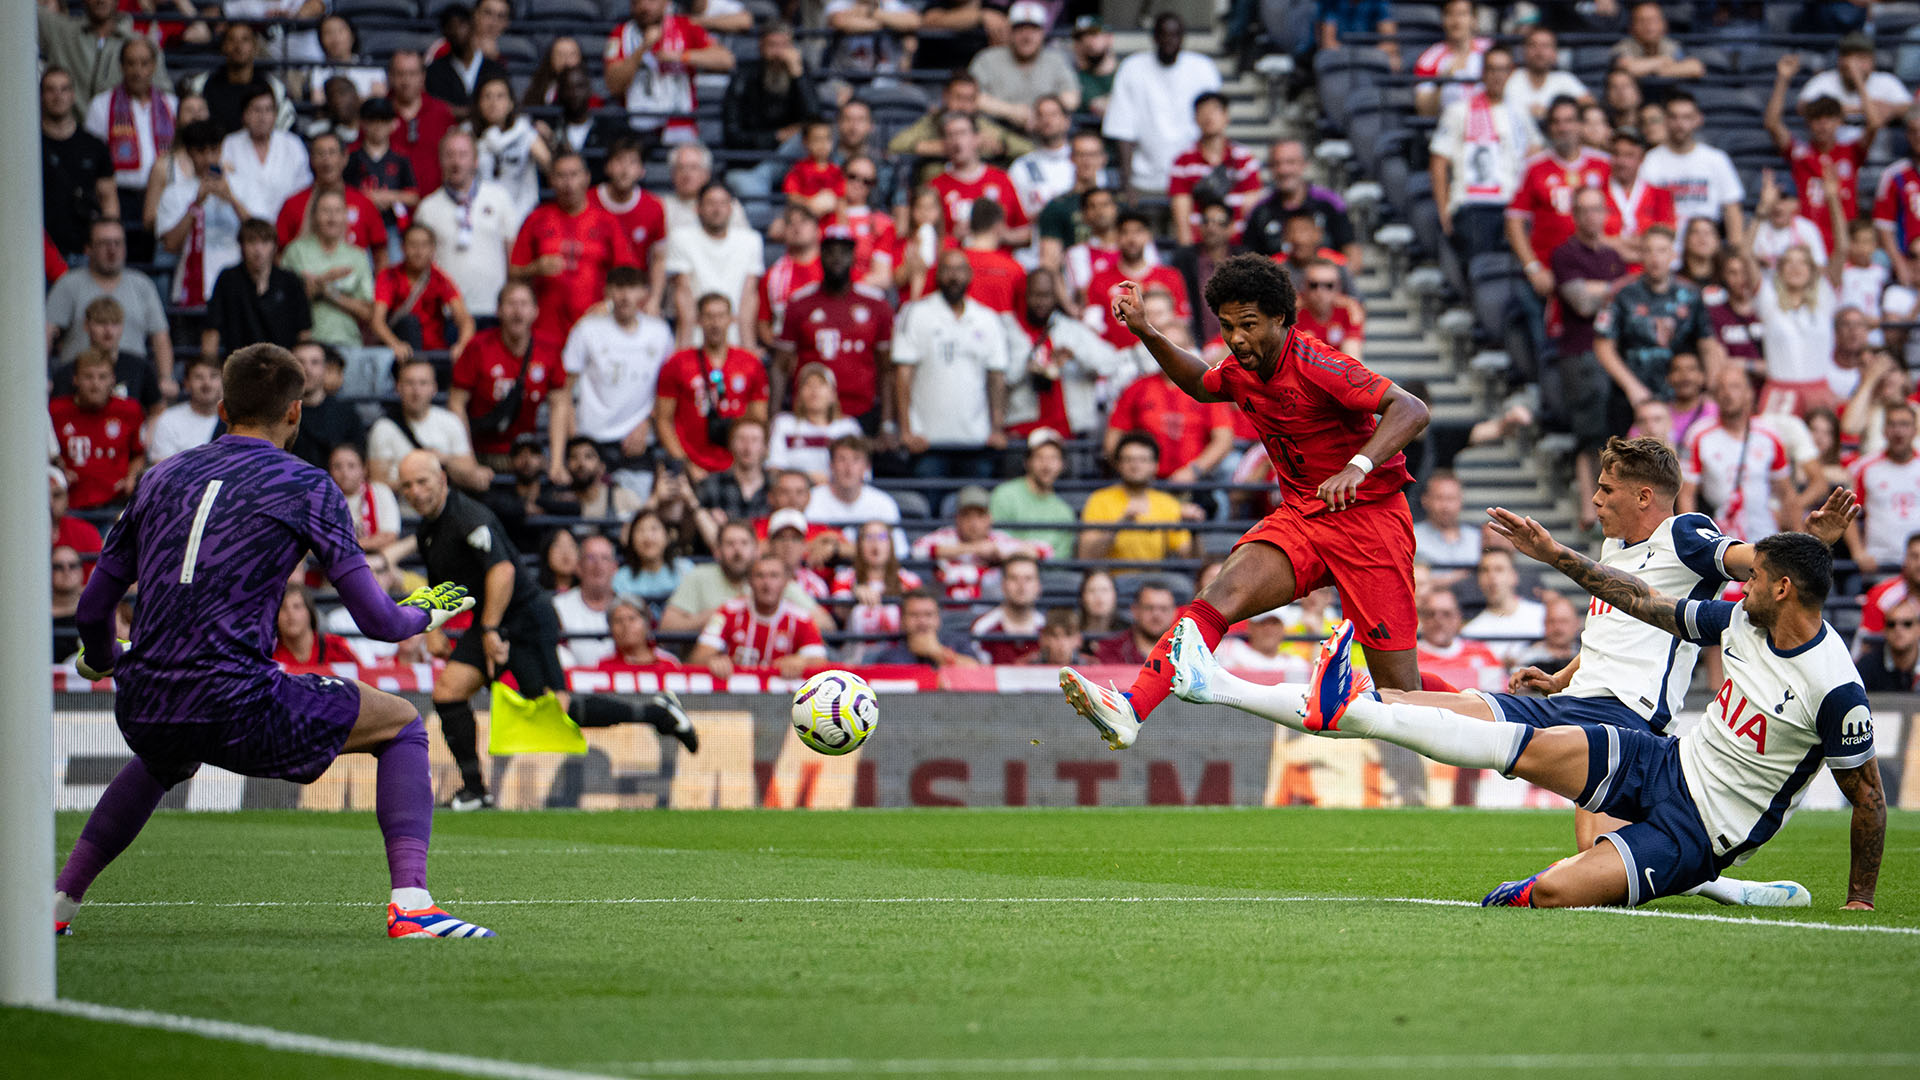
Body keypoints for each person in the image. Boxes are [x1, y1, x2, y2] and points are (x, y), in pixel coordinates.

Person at [1170, 514, 1880, 910]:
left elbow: (1869, 799)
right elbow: (1645, 604)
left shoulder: (1835, 686)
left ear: (1783, 589)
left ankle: (1708, 885)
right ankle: (1329, 703)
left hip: (1703, 832)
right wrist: (1555, 555)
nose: (1741, 583)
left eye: (1753, 577)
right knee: (1504, 742)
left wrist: (1860, 902)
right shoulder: (1743, 623)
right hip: (1664, 760)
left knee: (1549, 894)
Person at [52, 343, 493, 940]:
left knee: (163, 757)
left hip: (144, 701)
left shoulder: (159, 477)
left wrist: (104, 660)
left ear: (225, 406)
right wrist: (425, 611)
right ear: (295, 412)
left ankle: (56, 909)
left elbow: (93, 609)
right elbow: (380, 622)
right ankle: (412, 906)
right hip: (235, 702)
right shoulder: (305, 485)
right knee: (401, 725)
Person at [1061, 253, 1431, 750]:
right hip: (1303, 520)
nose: (1236, 338)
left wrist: (1356, 468)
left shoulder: (1320, 364)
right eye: (1229, 326)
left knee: (1403, 698)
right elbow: (1198, 382)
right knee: (1217, 598)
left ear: (1281, 317)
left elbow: (1411, 408)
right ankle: (1131, 708)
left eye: (1249, 325)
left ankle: (1496, 716)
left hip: (1371, 523)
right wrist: (1148, 331)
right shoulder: (1242, 370)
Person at [396, 452, 697, 810]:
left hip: (524, 617)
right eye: (407, 486)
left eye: (422, 482)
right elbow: (439, 578)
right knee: (447, 693)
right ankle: (475, 790)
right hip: (494, 621)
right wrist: (435, 625)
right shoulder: (429, 528)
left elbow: (503, 572)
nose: (415, 491)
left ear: (442, 479)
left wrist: (491, 630)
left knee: (560, 708)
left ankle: (659, 713)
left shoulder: (468, 518)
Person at [554, 265, 676, 491]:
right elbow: (565, 389)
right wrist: (574, 439)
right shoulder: (587, 329)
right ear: (608, 291)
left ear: (643, 292)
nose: (625, 296)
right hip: (591, 439)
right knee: (590, 519)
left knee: (636, 515)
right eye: (619, 287)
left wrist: (648, 423)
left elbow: (668, 389)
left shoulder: (659, 333)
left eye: (631, 288)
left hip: (639, 441)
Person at [894, 250, 1013, 478]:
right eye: (948, 269)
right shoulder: (916, 313)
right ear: (937, 275)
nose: (954, 277)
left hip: (977, 440)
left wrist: (997, 429)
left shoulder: (987, 319)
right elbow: (902, 374)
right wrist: (906, 430)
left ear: (969, 275)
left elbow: (996, 377)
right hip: (927, 440)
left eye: (959, 270)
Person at [1593, 225, 1719, 439]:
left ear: (1673, 255)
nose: (1655, 258)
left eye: (1662, 250)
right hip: (1631, 393)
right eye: (1649, 250)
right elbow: (1603, 345)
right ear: (1640, 255)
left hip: (1680, 393)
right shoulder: (1622, 294)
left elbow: (1707, 343)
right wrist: (1633, 388)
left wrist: (1710, 386)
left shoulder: (1690, 294)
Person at [511, 151, 637, 353]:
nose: (568, 183)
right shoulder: (536, 219)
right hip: (545, 329)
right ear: (551, 180)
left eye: (574, 175)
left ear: (586, 178)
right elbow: (514, 272)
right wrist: (535, 268)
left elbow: (628, 277)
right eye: (561, 176)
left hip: (596, 328)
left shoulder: (607, 222)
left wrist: (611, 304)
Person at [772, 226, 893, 424]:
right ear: (821, 255)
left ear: (853, 256)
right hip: (810, 414)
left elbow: (886, 369)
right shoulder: (799, 303)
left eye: (844, 251)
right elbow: (780, 365)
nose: (837, 257)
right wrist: (774, 420)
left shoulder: (876, 304)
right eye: (830, 251)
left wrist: (887, 424)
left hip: (862, 413)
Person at [1430, 47, 1538, 264]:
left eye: (1503, 69)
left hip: (1514, 205)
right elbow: (1439, 162)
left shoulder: (1519, 112)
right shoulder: (1460, 111)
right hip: (1475, 206)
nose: (1497, 75)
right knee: (1483, 271)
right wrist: (1443, 211)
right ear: (1483, 73)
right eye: (1492, 69)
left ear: (1511, 73)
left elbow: (1535, 151)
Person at [1102, 14, 1222, 198]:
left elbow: (1214, 126)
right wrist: (1127, 184)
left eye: (1175, 35)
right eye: (1164, 34)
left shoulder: (1203, 68)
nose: (1169, 40)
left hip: (1194, 181)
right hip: (1145, 182)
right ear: (1154, 37)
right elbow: (1122, 128)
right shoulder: (1132, 68)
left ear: (1183, 37)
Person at [449, 280, 563, 471]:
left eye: (524, 304)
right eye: (511, 304)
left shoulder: (549, 348)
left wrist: (558, 463)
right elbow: (456, 402)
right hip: (483, 451)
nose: (517, 311)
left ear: (536, 311)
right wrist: (467, 459)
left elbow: (560, 403)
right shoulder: (478, 347)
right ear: (498, 311)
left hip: (528, 452)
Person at [657, 293, 770, 481]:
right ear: (699, 321)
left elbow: (758, 420)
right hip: (691, 464)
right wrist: (684, 464)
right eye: (709, 316)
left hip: (736, 468)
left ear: (731, 319)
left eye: (721, 316)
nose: (715, 323)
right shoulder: (678, 363)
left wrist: (744, 466)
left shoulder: (751, 364)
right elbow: (663, 419)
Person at [415, 129, 522, 320]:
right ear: (440, 161)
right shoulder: (427, 208)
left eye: (463, 155)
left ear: (475, 160)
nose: (456, 162)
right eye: (450, 155)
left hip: (493, 309)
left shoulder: (499, 198)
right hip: (445, 313)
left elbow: (513, 255)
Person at [1680, 368, 1795, 544]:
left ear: (1749, 393)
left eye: (1735, 387)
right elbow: (1686, 494)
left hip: (1766, 537)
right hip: (1718, 540)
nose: (1727, 394)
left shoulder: (1770, 435)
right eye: (1721, 388)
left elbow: (1786, 493)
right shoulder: (1698, 435)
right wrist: (1691, 539)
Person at [46, 219, 172, 374]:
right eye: (104, 243)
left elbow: (160, 338)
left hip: (132, 384)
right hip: (79, 384)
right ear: (88, 249)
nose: (112, 250)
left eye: (118, 243)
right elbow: (47, 333)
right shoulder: (68, 284)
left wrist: (166, 378)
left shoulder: (143, 285)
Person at [605, 0, 735, 144]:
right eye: (638, 2)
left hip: (680, 125)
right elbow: (613, 85)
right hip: (637, 129)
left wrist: (682, 56)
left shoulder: (684, 26)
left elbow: (726, 60)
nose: (644, 7)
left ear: (665, 2)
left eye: (651, 1)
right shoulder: (620, 33)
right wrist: (642, 48)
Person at [686, 556, 827, 679]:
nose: (767, 583)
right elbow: (698, 658)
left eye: (774, 576)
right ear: (749, 581)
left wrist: (801, 661)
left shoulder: (802, 619)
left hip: (782, 701)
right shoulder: (728, 612)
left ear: (786, 582)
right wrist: (713, 661)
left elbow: (820, 662)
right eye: (760, 576)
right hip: (735, 701)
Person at [367, 358, 492, 494]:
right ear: (398, 387)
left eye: (423, 383)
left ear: (434, 388)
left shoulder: (451, 422)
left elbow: (471, 474)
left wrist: (443, 459)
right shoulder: (383, 428)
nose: (416, 391)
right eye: (409, 383)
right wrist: (419, 477)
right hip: (401, 512)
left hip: (445, 510)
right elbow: (378, 486)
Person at [1640, 92, 1746, 249]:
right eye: (1674, 117)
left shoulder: (1716, 159)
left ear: (1698, 119)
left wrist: (1735, 251)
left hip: (1707, 249)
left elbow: (1732, 210)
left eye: (1686, 117)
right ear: (1665, 120)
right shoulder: (1650, 161)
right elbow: (1642, 210)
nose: (1680, 124)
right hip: (1665, 249)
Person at [666, 182, 764, 347]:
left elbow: (749, 295)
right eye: (711, 203)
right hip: (696, 338)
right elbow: (683, 293)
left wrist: (749, 345)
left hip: (736, 339)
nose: (717, 209)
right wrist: (683, 346)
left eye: (722, 203)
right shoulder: (680, 238)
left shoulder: (751, 241)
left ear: (732, 208)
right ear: (697, 208)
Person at [912, 486, 1048, 602]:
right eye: (967, 516)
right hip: (946, 610)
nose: (974, 523)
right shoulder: (945, 536)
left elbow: (1044, 550)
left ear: (989, 518)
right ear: (957, 518)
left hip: (986, 608)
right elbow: (917, 550)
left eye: (980, 516)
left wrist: (1003, 555)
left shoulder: (998, 540)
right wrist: (973, 548)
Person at [1078, 433, 1199, 563]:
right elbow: (1086, 556)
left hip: (1158, 578)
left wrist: (1194, 531)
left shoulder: (1168, 503)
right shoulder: (1099, 500)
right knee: (1099, 584)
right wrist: (1119, 526)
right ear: (1118, 465)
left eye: (1143, 460)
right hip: (1112, 578)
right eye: (1128, 459)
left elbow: (1189, 557)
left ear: (1155, 465)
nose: (1135, 466)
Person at [51, 349, 147, 510]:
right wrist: (59, 471)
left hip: (116, 504)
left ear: (112, 380)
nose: (95, 384)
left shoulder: (130, 410)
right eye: (88, 377)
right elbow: (44, 455)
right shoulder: (56, 411)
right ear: (75, 379)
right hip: (69, 506)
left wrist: (131, 478)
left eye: (102, 377)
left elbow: (138, 454)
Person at [280, 190, 376, 351]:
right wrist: (322, 281)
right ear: (314, 215)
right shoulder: (296, 251)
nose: (332, 218)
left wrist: (328, 291)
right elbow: (283, 303)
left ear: (346, 216)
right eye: (325, 211)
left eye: (338, 211)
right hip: (305, 346)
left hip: (347, 342)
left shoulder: (358, 256)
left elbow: (368, 312)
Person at [38, 0, 175, 111]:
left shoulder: (139, 45)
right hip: (67, 134)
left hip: (122, 135)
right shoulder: (61, 32)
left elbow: (166, 98)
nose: (101, 1)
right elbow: (21, 9)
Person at [41, 67, 120, 258]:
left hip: (84, 250)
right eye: (50, 90)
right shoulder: (28, 147)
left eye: (64, 89)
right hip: (40, 251)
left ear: (73, 95)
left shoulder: (93, 145)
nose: (58, 96)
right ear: (41, 95)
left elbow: (109, 200)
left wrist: (104, 242)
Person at [1244, 140, 1360, 269]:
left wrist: (1330, 283)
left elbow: (1353, 257)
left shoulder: (1329, 204)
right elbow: (1250, 264)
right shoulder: (1260, 211)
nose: (1284, 170)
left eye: (1290, 162)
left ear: (1304, 164)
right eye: (1276, 164)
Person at [1084, 213, 1191, 350]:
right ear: (1117, 237)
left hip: (1163, 356)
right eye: (1125, 232)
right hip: (1117, 359)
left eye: (1138, 231)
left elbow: (1182, 322)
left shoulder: (1170, 276)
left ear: (1148, 236)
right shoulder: (1100, 280)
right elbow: (1092, 326)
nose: (1132, 239)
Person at [1168, 92, 1262, 246]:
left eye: (1214, 110)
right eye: (1203, 111)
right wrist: (1190, 254)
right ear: (1195, 118)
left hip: (1237, 247)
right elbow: (1182, 219)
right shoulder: (1183, 162)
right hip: (1200, 248)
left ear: (1226, 116)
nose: (1209, 116)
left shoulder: (1244, 159)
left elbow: (1250, 212)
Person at [373, 223, 475, 362]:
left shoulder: (439, 279)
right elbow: (377, 321)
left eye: (424, 245)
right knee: (410, 323)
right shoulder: (388, 276)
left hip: (435, 353)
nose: (418, 251)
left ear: (433, 249)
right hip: (403, 354)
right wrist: (395, 345)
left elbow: (464, 319)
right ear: (402, 247)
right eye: (413, 245)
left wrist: (461, 346)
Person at [969, 2, 1079, 129]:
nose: (1026, 36)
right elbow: (972, 98)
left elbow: (1072, 99)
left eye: (1033, 29)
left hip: (1043, 132)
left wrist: (1040, 114)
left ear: (1043, 32)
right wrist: (1011, 111)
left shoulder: (1055, 59)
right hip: (999, 131)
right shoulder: (987, 58)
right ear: (1009, 31)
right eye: (1020, 29)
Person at [930, 114, 1030, 248]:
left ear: (977, 138)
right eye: (950, 135)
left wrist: (1003, 235)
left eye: (962, 133)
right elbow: (926, 242)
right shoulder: (936, 187)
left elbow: (1026, 233)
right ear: (944, 142)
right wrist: (953, 237)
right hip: (958, 264)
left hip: (998, 263)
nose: (957, 141)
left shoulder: (1001, 179)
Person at [590, 136, 670, 305]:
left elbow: (658, 258)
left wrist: (654, 300)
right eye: (619, 161)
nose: (625, 169)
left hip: (635, 299)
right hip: (592, 296)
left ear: (642, 170)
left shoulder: (654, 207)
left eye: (632, 162)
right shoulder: (587, 201)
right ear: (607, 166)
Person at [1844, 403, 1920, 573]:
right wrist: (1858, 552)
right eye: (1892, 425)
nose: (1898, 431)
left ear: (1915, 430)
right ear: (1884, 431)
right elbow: (1847, 514)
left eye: (1904, 425)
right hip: (1880, 563)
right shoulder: (1865, 467)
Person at [183, 21, 293, 137]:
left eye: (245, 40)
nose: (238, 46)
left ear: (255, 47)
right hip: (212, 150)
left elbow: (284, 127)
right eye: (232, 40)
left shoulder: (273, 86)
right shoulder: (202, 84)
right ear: (223, 46)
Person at [217, 89, 310, 224]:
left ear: (275, 115)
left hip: (287, 225)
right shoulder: (230, 144)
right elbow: (225, 188)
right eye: (256, 110)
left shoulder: (292, 144)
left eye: (268, 110)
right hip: (241, 227)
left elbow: (303, 189)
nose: (262, 117)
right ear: (244, 115)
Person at [805, 435, 906, 551]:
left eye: (856, 459)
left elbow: (899, 551)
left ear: (867, 467)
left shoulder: (884, 503)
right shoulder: (810, 499)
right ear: (831, 466)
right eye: (842, 459)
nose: (849, 468)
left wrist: (846, 550)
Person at [468, 76, 548, 221]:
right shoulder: (468, 136)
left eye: (500, 96)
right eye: (487, 96)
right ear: (479, 103)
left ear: (511, 103)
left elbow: (550, 166)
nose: (493, 103)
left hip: (521, 216)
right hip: (482, 216)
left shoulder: (525, 132)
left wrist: (550, 139)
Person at [768, 363, 862, 482]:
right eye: (808, 385)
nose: (814, 391)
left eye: (821, 385)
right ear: (799, 394)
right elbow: (774, 469)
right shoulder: (783, 424)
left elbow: (860, 473)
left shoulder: (848, 428)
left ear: (833, 394)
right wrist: (812, 479)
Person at [989, 429, 1076, 557]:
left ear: (1062, 465)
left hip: (1047, 574)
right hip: (1009, 571)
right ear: (1027, 462)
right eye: (1040, 457)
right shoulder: (1005, 494)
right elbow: (995, 541)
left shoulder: (1064, 511)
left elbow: (1062, 558)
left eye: (1053, 458)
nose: (1046, 465)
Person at [344, 97, 418, 243]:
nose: (378, 126)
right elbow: (342, 191)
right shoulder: (351, 157)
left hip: (391, 226)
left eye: (383, 120)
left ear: (392, 124)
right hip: (358, 225)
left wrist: (387, 197)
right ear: (362, 123)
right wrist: (366, 198)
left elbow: (413, 196)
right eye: (372, 120)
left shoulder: (400, 158)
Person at [384, 51, 459, 196]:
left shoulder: (441, 113)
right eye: (400, 74)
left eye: (412, 74)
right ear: (390, 77)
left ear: (422, 77)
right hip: (390, 208)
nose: (406, 81)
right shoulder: (378, 114)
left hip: (435, 205)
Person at [1460, 548, 1546, 663]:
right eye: (1485, 570)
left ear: (1514, 576)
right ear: (1478, 580)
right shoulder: (1470, 632)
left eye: (1499, 569)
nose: (1492, 576)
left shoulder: (1544, 615)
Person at [551, 534, 621, 668]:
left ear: (614, 568)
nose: (598, 564)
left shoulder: (630, 609)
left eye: (605, 558)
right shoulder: (557, 605)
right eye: (591, 558)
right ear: (578, 567)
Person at [866, 590, 985, 667]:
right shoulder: (891, 653)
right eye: (914, 615)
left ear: (938, 619)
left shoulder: (958, 642)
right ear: (902, 620)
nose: (922, 621)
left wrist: (937, 652)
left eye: (928, 614)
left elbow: (976, 671)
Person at [1412, 0, 1489, 118]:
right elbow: (1425, 112)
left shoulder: (1491, 52)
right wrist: (1441, 82)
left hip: (1489, 124)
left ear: (1474, 20)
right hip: (1447, 128)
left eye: (1462, 14)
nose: (1456, 21)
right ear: (1443, 20)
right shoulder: (1429, 59)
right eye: (1450, 14)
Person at [425, 4, 509, 112]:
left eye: (461, 24)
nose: (456, 31)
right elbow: (437, 108)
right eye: (450, 26)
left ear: (472, 26)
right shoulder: (435, 70)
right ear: (444, 32)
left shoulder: (494, 68)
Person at [615, 509, 695, 615]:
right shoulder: (621, 578)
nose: (647, 537)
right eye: (640, 530)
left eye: (654, 529)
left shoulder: (685, 570)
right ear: (632, 540)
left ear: (667, 536)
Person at [695, 420, 773, 530]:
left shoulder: (775, 486)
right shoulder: (711, 483)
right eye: (742, 440)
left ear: (765, 447)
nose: (748, 448)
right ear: (731, 444)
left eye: (754, 440)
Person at [970, 555, 1046, 664]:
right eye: (1014, 578)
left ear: (1038, 586)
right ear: (1003, 584)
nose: (1021, 586)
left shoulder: (1048, 629)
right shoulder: (982, 628)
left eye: (1028, 579)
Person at [328, 442, 401, 555]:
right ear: (330, 471)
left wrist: (346, 546)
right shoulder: (323, 499)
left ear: (364, 469)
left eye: (351, 466)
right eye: (337, 466)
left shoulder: (380, 492)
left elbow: (389, 537)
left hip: (376, 563)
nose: (344, 473)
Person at [1507, 26, 1589, 123]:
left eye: (1545, 46)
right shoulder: (1510, 78)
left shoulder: (1565, 79)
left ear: (1555, 52)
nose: (1539, 52)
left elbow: (1589, 105)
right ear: (1524, 50)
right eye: (1533, 45)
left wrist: (1551, 113)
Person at [150, 356, 224, 462]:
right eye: (199, 377)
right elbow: (163, 471)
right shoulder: (169, 420)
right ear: (187, 384)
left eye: (213, 376)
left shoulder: (237, 421)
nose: (207, 383)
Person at [1089, 580, 1180, 666]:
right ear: (1135, 610)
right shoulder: (1110, 651)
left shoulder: (1185, 653)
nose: (1156, 615)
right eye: (1149, 608)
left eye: (1163, 609)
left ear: (1174, 613)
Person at [1292, 257, 1367, 361]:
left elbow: (1352, 359)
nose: (1320, 292)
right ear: (1304, 286)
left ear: (1338, 287)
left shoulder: (1350, 311)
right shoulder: (1292, 312)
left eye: (1329, 285)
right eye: (1313, 285)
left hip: (1337, 373)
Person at [1609, 1, 1705, 81]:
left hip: (1667, 96)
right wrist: (1664, 61)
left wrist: (1653, 70)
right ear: (1632, 26)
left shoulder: (1671, 45)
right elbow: (1631, 68)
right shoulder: (1623, 46)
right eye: (1642, 21)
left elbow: (1695, 68)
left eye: (1653, 20)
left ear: (1664, 25)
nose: (1649, 26)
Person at [1410, 470, 1481, 570]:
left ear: (1461, 500)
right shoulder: (1411, 537)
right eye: (1439, 498)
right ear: (1425, 500)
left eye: (1451, 498)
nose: (1445, 506)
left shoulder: (1477, 538)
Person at [272, 583, 355, 667]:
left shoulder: (335, 647)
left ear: (309, 612)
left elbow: (359, 677)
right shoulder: (268, 655)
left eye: (297, 606)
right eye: (282, 608)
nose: (290, 614)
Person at [561, 439, 644, 520]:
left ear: (602, 467)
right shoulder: (560, 499)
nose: (581, 463)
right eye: (573, 457)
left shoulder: (623, 497)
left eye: (588, 457)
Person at [595, 598, 682, 674]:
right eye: (618, 620)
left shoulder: (669, 664)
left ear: (647, 624)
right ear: (611, 629)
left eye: (632, 619)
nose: (626, 625)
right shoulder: (604, 666)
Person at [1859, 597, 1920, 692]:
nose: (1898, 629)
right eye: (1891, 624)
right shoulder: (1867, 665)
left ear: (1918, 628)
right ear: (1885, 630)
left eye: (1907, 624)